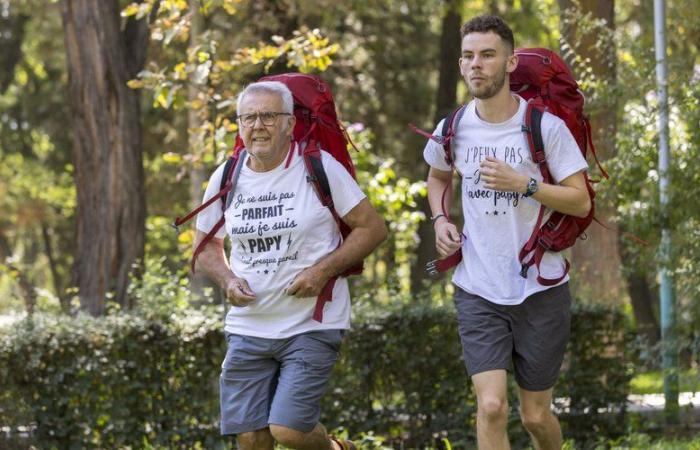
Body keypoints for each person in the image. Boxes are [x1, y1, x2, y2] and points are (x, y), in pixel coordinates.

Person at [423, 15, 591, 450]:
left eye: (487, 55)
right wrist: (442, 221)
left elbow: (581, 200)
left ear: (511, 62)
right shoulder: (453, 128)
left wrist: (525, 183)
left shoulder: (543, 127)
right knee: (492, 407)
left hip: (541, 287)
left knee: (536, 416)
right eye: (468, 56)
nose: (475, 64)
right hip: (478, 287)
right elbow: (438, 177)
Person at [194, 81, 387, 450]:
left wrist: (321, 271)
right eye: (248, 117)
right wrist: (227, 280)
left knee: (289, 430)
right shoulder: (227, 176)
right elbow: (205, 246)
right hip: (249, 325)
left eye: (269, 116)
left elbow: (373, 229)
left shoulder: (318, 168)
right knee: (251, 439)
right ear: (238, 125)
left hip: (311, 323)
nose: (258, 125)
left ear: (289, 124)